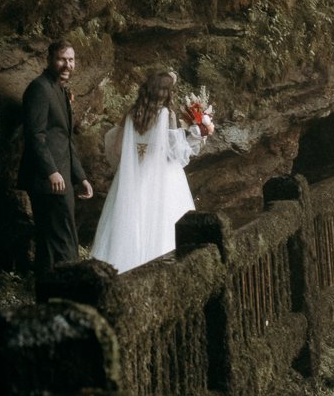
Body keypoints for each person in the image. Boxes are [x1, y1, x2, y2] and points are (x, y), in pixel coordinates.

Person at [91, 69, 211, 274]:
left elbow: (118, 148)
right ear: (166, 93)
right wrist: (195, 135)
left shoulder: (131, 113)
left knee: (130, 220)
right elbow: (176, 153)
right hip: (163, 179)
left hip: (132, 178)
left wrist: (134, 163)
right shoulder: (167, 115)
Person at [18, 40, 93, 282]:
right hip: (47, 179)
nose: (67, 65)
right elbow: (35, 135)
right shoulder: (39, 89)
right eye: (62, 59)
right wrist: (51, 171)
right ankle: (66, 294)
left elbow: (66, 139)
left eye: (71, 60)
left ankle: (54, 295)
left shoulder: (60, 90)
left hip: (62, 177)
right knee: (59, 239)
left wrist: (80, 176)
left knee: (58, 238)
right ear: (49, 59)